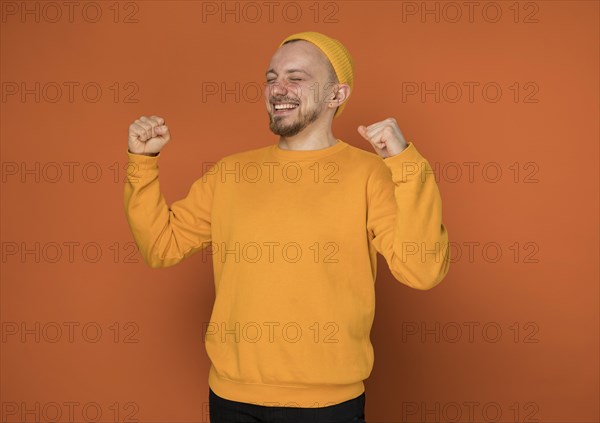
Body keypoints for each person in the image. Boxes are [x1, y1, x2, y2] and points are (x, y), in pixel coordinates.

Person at [124, 31, 450, 423]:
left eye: (296, 77)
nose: (278, 88)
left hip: (329, 406)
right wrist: (143, 164)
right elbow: (161, 246)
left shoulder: (371, 174)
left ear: (337, 95)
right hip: (232, 398)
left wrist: (407, 165)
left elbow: (423, 270)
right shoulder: (230, 173)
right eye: (271, 77)